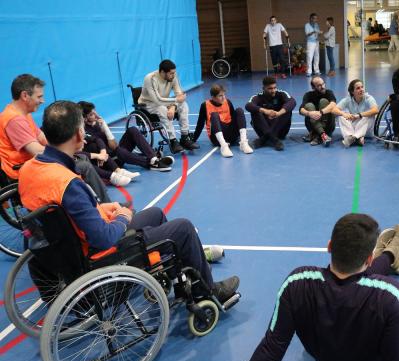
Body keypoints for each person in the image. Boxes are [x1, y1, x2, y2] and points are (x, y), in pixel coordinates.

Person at [18, 100, 239, 303]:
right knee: (183, 228)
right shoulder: (67, 182)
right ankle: (207, 293)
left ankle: (181, 279)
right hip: (99, 255)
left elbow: (63, 210)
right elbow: (104, 238)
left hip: (64, 249)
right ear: (78, 135)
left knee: (156, 214)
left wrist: (100, 208)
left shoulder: (30, 169)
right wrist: (122, 218)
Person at [226, 215, 399, 361]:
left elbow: (271, 348)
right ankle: (389, 254)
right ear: (368, 259)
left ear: (329, 247)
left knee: (365, 278)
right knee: (370, 281)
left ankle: (389, 255)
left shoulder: (297, 283)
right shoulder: (390, 296)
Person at [0, 74, 112, 203]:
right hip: (23, 170)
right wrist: (66, 152)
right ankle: (106, 205)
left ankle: (101, 201)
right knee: (83, 166)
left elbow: (42, 138)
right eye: (39, 96)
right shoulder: (14, 120)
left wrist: (69, 143)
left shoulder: (23, 114)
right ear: (25, 95)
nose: (42, 100)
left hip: (32, 163)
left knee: (82, 157)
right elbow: (36, 150)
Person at [79, 101, 174, 172]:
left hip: (115, 154)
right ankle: (150, 163)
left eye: (95, 112)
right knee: (118, 150)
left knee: (132, 130)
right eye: (92, 114)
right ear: (84, 118)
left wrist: (105, 127)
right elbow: (113, 148)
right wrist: (105, 129)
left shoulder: (97, 124)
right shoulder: (83, 131)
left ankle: (153, 158)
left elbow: (113, 145)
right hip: (108, 162)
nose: (96, 115)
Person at [138, 59, 198, 153]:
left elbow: (179, 94)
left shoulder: (173, 76)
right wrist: (174, 102)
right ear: (162, 72)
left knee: (183, 105)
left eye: (174, 73)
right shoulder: (150, 78)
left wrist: (173, 106)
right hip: (148, 104)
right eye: (171, 73)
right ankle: (173, 140)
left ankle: (185, 137)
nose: (173, 75)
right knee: (162, 109)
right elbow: (157, 100)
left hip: (164, 102)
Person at [193, 84, 253, 158]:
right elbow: (200, 124)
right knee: (214, 115)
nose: (223, 97)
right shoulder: (205, 105)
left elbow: (235, 119)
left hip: (231, 135)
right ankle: (224, 146)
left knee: (239, 110)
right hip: (216, 138)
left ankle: (243, 143)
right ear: (213, 97)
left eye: (224, 95)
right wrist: (193, 139)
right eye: (220, 96)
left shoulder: (227, 102)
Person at [245, 75, 297, 151]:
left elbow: (292, 102)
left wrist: (278, 113)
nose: (273, 90)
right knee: (255, 111)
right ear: (263, 88)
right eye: (270, 88)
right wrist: (265, 111)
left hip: (280, 131)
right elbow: (248, 105)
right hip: (263, 130)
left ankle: (264, 139)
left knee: (287, 110)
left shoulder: (281, 94)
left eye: (274, 88)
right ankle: (275, 140)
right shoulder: (257, 97)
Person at [333, 79, 378, 148]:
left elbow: (375, 110)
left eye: (362, 87)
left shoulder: (368, 98)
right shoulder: (348, 99)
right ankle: (356, 138)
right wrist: (343, 114)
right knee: (341, 116)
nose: (361, 90)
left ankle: (352, 138)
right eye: (358, 88)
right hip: (354, 127)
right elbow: (334, 110)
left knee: (370, 116)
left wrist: (359, 115)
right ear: (352, 92)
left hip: (365, 128)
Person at [299, 77, 337, 146]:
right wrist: (309, 113)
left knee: (324, 101)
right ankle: (322, 135)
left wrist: (321, 112)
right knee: (309, 105)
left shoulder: (329, 93)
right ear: (313, 87)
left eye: (323, 84)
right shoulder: (308, 95)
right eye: (319, 85)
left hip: (328, 126)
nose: (322, 87)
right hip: (312, 125)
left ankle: (316, 135)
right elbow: (301, 110)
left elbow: (333, 104)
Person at [305, 13, 322, 77]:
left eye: (316, 18)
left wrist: (320, 33)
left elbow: (318, 33)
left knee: (317, 56)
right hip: (310, 42)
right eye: (314, 18)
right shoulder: (307, 25)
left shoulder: (317, 25)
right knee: (309, 56)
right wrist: (313, 31)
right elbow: (307, 34)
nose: (316, 20)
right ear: (311, 18)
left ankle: (316, 70)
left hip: (316, 42)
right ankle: (309, 71)